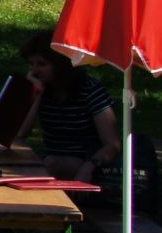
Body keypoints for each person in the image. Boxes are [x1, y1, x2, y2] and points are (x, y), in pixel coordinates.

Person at [20, 32, 119, 182]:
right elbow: (20, 133)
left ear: (60, 65)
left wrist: (90, 166)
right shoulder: (42, 89)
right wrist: (35, 95)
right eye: (31, 64)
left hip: (89, 167)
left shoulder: (90, 91)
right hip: (52, 164)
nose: (34, 71)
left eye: (41, 64)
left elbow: (112, 144)